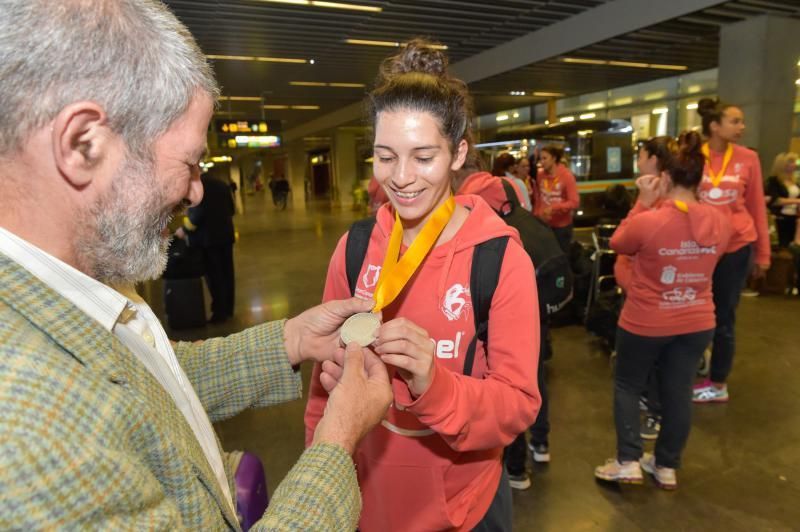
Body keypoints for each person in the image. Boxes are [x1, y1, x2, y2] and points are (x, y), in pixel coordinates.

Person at [0, 1, 393, 529]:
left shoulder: (70, 282)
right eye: (188, 162)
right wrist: (338, 442)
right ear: (82, 144)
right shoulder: (29, 436)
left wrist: (291, 340)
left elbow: (145, 388)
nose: (195, 190)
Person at [305, 39, 540, 531]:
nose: (403, 178)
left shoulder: (498, 258)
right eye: (385, 157)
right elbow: (322, 389)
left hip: (462, 506)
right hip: (365, 502)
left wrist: (435, 385)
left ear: (459, 153)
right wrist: (317, 474)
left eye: (424, 156)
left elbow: (517, 404)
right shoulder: (354, 249)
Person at [595, 132, 730, 490]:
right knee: (678, 390)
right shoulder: (720, 221)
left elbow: (618, 243)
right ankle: (666, 465)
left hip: (646, 320)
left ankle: (628, 461)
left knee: (627, 384)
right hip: (698, 318)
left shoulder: (649, 221)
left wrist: (642, 201)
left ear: (666, 178)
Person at [453, 155, 553, 486]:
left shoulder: (464, 199)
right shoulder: (513, 187)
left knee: (496, 380)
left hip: (490, 298)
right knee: (529, 373)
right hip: (530, 288)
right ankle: (541, 444)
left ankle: (513, 466)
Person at [692, 98, 770, 404]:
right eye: (735, 121)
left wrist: (763, 254)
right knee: (692, 312)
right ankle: (694, 363)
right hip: (697, 247)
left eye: (741, 121)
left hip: (736, 248)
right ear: (714, 125)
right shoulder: (693, 156)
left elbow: (757, 209)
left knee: (723, 316)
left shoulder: (748, 158)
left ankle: (718, 381)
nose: (742, 127)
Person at [180, 171, 237, 323]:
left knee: (214, 276)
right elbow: (232, 210)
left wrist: (184, 229)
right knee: (227, 274)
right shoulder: (222, 185)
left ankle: (219, 313)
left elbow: (198, 215)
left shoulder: (197, 187)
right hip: (226, 237)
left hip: (208, 240)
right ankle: (229, 309)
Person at [534, 144, 580, 253]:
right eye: (540, 159)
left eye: (545, 158)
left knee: (561, 260)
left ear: (554, 158)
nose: (542, 162)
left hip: (561, 227)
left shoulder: (566, 176)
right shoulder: (540, 175)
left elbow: (574, 202)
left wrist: (554, 208)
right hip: (544, 225)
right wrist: (537, 214)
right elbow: (538, 197)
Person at [765, 152, 800, 248]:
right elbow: (774, 200)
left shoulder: (794, 182)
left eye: (794, 162)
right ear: (782, 164)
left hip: (793, 218)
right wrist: (796, 201)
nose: (794, 165)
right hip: (779, 218)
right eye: (791, 162)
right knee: (781, 246)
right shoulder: (773, 181)